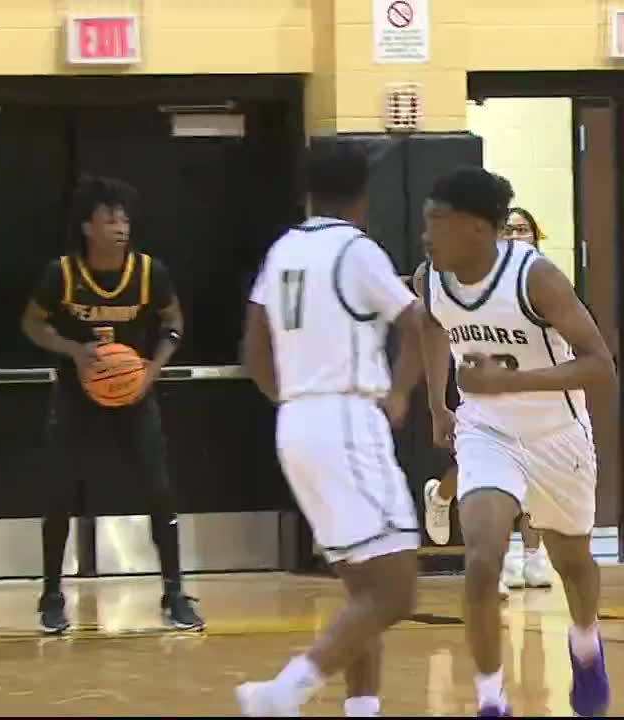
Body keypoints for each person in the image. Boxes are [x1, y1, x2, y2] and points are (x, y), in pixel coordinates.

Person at [235, 140, 426, 717]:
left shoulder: (283, 250)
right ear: (363, 197)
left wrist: (295, 400)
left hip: (295, 421)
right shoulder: (356, 249)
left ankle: (361, 711)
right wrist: (400, 391)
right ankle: (283, 693)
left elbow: (254, 351)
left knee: (363, 592)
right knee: (396, 591)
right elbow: (417, 319)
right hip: (345, 416)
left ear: (307, 193)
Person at [416, 168, 616, 717]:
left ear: (478, 229)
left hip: (557, 434)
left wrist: (511, 381)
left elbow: (600, 365)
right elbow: (430, 322)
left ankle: (585, 644)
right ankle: (491, 701)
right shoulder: (431, 277)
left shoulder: (535, 278)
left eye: (438, 222)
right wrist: (438, 403)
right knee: (482, 560)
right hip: (486, 431)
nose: (426, 235)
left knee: (572, 562)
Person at [21, 176, 203, 635]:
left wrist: (152, 368)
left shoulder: (149, 272)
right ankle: (51, 596)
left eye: (124, 219)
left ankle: (175, 593)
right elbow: (33, 324)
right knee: (60, 492)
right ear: (88, 226)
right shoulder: (62, 274)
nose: (121, 227)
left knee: (158, 489)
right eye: (109, 219)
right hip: (76, 393)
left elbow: (173, 321)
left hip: (134, 394)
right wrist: (73, 350)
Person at [422, 206, 554, 593]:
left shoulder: (546, 279)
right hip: (481, 396)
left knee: (534, 478)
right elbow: (430, 318)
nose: (516, 236)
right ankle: (444, 499)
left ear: (536, 236)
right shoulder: (471, 281)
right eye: (508, 230)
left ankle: (533, 556)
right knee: (482, 476)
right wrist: (438, 403)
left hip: (535, 398)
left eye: (523, 229)